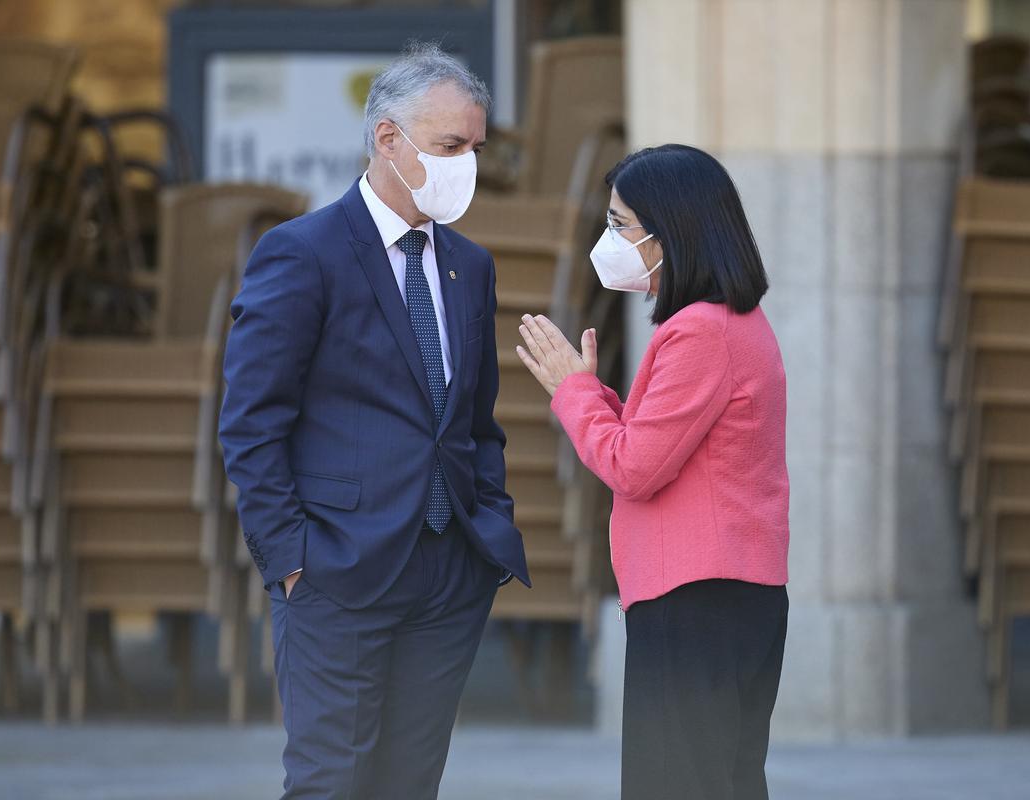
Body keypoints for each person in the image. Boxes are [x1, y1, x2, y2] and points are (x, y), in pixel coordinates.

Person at [219, 42, 528, 800]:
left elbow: (475, 422)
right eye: (450, 146)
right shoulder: (301, 253)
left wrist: (485, 525)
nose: (466, 164)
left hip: (444, 575)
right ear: (387, 138)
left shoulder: (470, 265)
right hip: (336, 574)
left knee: (408, 785)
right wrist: (291, 560)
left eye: (475, 148)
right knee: (331, 783)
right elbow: (250, 424)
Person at [516, 144, 790, 800]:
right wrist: (594, 393)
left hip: (694, 597)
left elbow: (633, 467)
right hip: (728, 596)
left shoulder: (700, 332)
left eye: (622, 225)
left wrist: (570, 392)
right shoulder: (733, 322)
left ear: (671, 235)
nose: (609, 240)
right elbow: (658, 445)